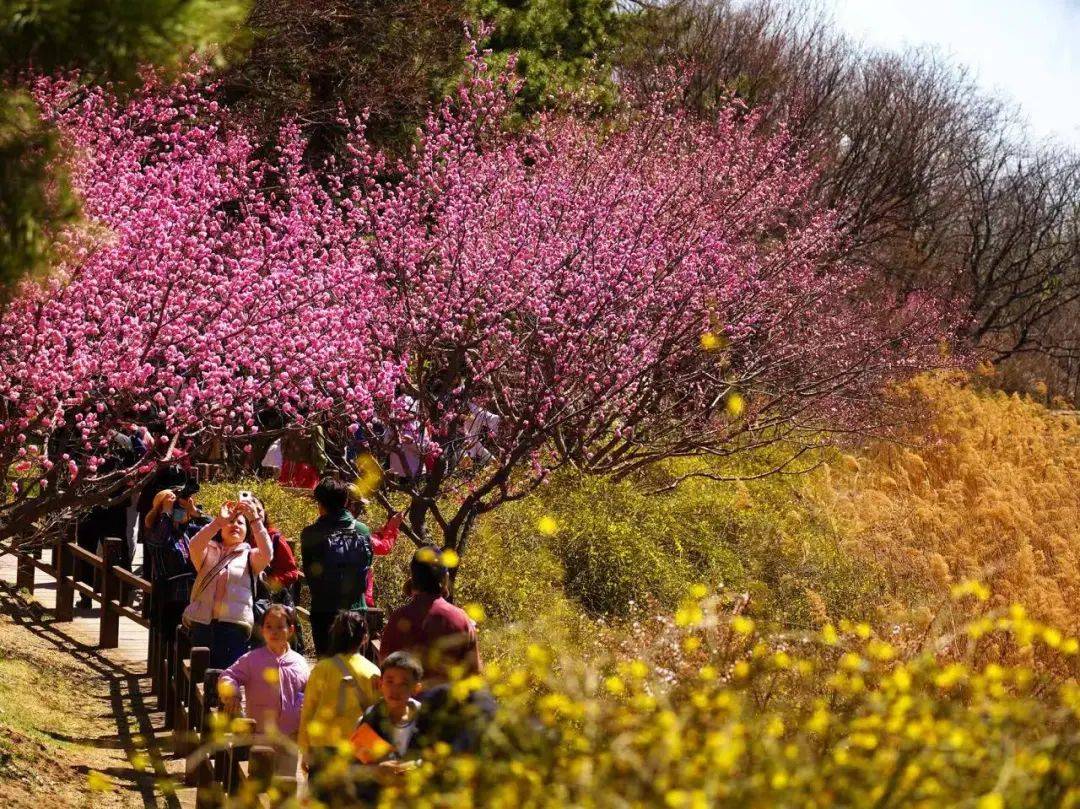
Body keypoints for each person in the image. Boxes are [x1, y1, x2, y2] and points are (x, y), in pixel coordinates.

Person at [218, 604, 309, 774]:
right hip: (259, 736)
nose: (274, 632)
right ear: (262, 630)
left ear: (290, 630)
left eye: (280, 627)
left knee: (284, 789)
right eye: (268, 626)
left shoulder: (300, 662)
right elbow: (228, 676)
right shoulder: (252, 659)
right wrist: (232, 694)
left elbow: (309, 694)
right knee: (258, 786)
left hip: (289, 738)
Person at [183, 498, 272, 669]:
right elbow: (193, 545)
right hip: (202, 623)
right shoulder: (208, 551)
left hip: (234, 627)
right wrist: (217, 522)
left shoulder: (250, 556)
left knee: (227, 680)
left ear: (247, 531)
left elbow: (267, 554)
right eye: (230, 522)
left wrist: (255, 521)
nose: (235, 525)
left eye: (240, 523)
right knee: (199, 676)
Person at [379, 546, 482, 686]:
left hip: (407, 705)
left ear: (413, 580)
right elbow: (475, 674)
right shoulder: (461, 619)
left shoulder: (398, 619)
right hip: (447, 704)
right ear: (445, 578)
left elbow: (384, 667)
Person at [299, 611, 381, 774]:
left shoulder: (322, 668)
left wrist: (304, 748)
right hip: (357, 746)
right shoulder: (373, 671)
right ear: (364, 638)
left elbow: (308, 709)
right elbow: (377, 714)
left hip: (322, 744)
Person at [300, 478, 374, 656]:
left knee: (328, 670)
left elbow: (310, 575)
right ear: (347, 501)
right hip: (356, 608)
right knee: (354, 666)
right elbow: (368, 564)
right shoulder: (362, 530)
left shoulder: (310, 533)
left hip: (324, 610)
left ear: (320, 504)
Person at [144, 487, 205, 649]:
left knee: (188, 641)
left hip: (191, 595)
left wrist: (194, 512)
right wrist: (166, 511)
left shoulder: (185, 531)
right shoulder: (153, 530)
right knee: (170, 641)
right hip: (170, 596)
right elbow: (161, 539)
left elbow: (214, 530)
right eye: (170, 500)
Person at [350, 652, 424, 765]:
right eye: (390, 681)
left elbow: (436, 758)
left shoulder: (424, 719)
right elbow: (355, 766)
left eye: (404, 684)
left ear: (416, 688)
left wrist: (416, 765)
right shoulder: (370, 720)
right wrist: (377, 770)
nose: (395, 689)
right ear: (380, 684)